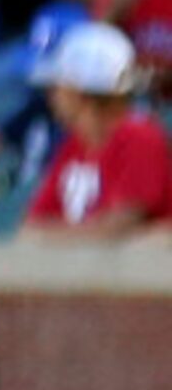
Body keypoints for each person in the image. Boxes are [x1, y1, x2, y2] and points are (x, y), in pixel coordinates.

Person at [24, 22, 172, 236]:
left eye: (59, 86)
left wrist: (49, 238)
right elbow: (35, 220)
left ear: (84, 91)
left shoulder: (141, 138)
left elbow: (118, 228)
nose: (51, 95)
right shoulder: (76, 142)